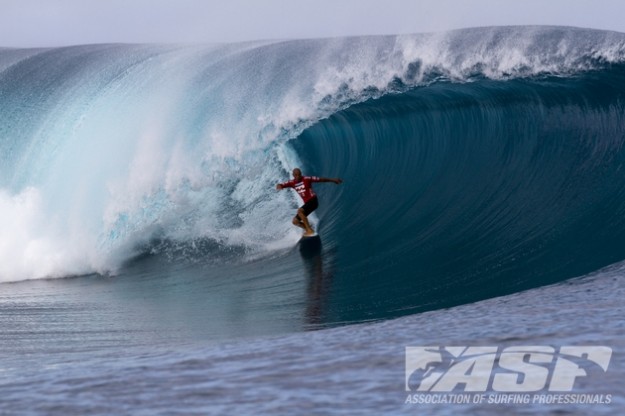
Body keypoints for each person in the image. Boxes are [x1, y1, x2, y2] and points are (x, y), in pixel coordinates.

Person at [276, 168, 342, 236]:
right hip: (307, 203)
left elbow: (320, 179)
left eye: (299, 175)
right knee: (295, 221)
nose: (298, 177)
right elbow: (281, 185)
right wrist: (279, 186)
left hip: (313, 201)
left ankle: (309, 231)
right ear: (293, 175)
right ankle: (309, 228)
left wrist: (333, 180)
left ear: (301, 174)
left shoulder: (307, 179)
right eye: (296, 175)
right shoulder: (292, 183)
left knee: (300, 211)